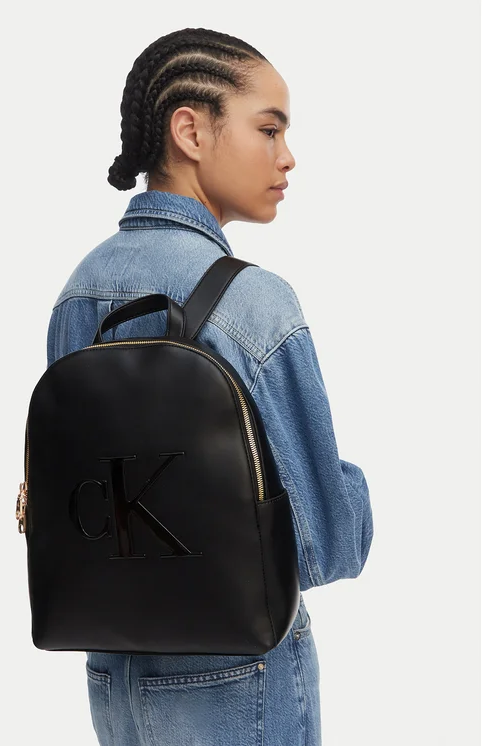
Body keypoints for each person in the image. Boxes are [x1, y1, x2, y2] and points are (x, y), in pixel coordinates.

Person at [46, 26, 374, 746]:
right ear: (191, 131)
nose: (287, 157)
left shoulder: (78, 292)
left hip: (111, 673)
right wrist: (348, 488)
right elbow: (327, 547)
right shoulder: (254, 303)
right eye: (269, 129)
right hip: (239, 678)